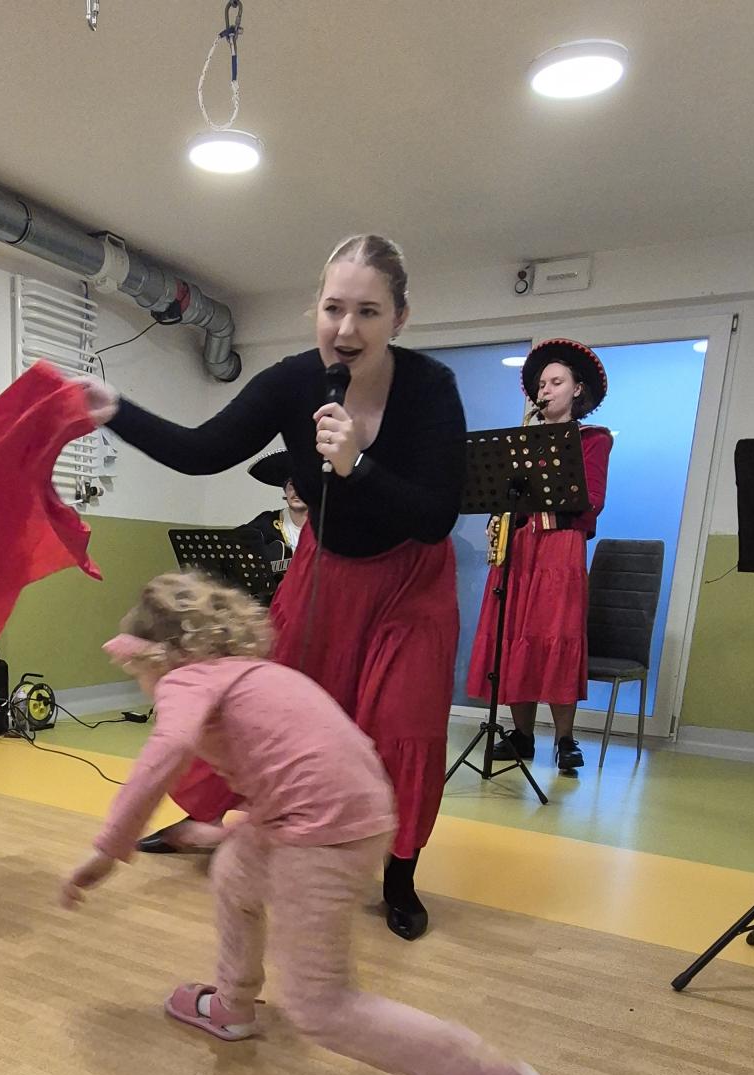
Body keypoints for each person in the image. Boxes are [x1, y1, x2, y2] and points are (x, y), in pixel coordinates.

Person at [59, 573, 543, 1075]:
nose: (144, 687)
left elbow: (168, 749)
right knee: (234, 872)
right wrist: (230, 829)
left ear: (160, 658)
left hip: (321, 833)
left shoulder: (186, 679)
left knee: (323, 1009)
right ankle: (232, 1007)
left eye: (139, 674)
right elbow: (302, 761)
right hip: (350, 811)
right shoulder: (255, 674)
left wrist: (109, 849)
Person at [76, 234, 466, 942]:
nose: (347, 329)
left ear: (399, 319)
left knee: (402, 723)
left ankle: (400, 873)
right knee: (271, 701)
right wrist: (115, 411)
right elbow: (203, 452)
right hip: (326, 569)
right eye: (334, 308)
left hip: (411, 580)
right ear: (315, 308)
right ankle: (213, 819)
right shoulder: (291, 381)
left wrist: (358, 465)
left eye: (369, 312)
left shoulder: (430, 387)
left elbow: (437, 516)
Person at [465, 339, 613, 775]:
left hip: (560, 547)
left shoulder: (593, 439)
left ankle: (566, 738)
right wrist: (498, 516)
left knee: (556, 635)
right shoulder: (519, 439)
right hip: (519, 546)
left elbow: (593, 499)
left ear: (577, 389)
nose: (545, 390)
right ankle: (523, 736)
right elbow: (501, 492)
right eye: (542, 384)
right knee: (514, 635)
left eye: (556, 382)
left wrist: (539, 504)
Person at [243, 451, 310, 564]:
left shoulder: (328, 526)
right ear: (285, 491)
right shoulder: (267, 521)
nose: (297, 492)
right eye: (292, 486)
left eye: (303, 486)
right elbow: (234, 541)